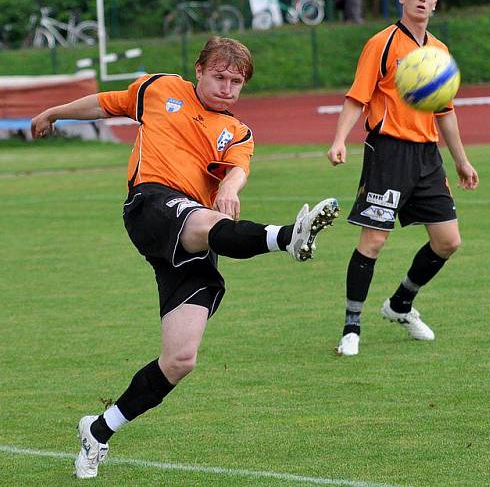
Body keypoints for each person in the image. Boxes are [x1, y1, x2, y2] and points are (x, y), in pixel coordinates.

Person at [30, 37, 339, 479]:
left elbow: (237, 167)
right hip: (151, 207)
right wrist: (53, 112)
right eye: (220, 77)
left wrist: (231, 187)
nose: (228, 87)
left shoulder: (237, 132)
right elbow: (103, 104)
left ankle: (98, 430)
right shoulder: (158, 89)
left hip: (193, 237)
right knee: (201, 220)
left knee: (180, 359)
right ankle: (289, 237)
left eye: (237, 82)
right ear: (198, 70)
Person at [327, 0, 478, 357]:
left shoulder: (439, 52)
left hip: (427, 156)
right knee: (374, 240)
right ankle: (351, 327)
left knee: (448, 241)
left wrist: (461, 160)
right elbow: (356, 97)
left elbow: (444, 111)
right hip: (389, 152)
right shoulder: (382, 43)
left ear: (436, 1)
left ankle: (400, 304)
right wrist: (340, 139)